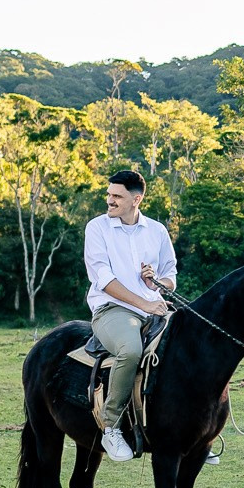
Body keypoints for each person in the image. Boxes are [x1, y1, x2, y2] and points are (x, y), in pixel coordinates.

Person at [83, 170, 176, 462]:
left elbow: (171, 276)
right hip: (111, 309)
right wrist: (144, 303)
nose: (109, 200)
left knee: (192, 344)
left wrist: (156, 284)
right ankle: (110, 427)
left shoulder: (157, 231)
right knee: (131, 349)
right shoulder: (97, 228)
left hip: (154, 305)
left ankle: (191, 427)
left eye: (117, 196)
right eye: (109, 194)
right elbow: (104, 279)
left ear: (136, 199)